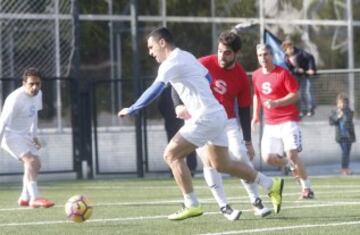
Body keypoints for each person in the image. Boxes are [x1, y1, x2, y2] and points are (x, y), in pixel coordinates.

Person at [118, 27, 284, 221]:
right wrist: (194, 98)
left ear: (162, 42)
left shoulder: (170, 63)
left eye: (151, 46)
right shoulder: (186, 56)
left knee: (171, 155)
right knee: (222, 164)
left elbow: (155, 89)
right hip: (217, 114)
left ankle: (192, 204)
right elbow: (207, 78)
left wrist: (133, 108)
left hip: (204, 117)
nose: (150, 52)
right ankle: (270, 184)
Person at [195, 30, 271, 219]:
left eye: (227, 52)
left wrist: (248, 141)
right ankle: (224, 207)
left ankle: (255, 201)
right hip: (201, 119)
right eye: (220, 51)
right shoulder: (202, 64)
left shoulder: (242, 77)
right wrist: (179, 105)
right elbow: (177, 80)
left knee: (241, 157)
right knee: (209, 162)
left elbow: (244, 110)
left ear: (236, 53)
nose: (222, 55)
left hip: (227, 121)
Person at [251, 44, 315, 200]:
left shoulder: (283, 74)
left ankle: (307, 189)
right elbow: (256, 95)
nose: (263, 58)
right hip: (270, 124)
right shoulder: (256, 75)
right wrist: (255, 116)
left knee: (292, 154)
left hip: (288, 120)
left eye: (266, 54)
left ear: (272, 55)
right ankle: (291, 165)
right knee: (268, 158)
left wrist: (277, 103)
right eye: (260, 55)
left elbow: (296, 95)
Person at [0, 67, 55, 208]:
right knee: (30, 161)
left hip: (25, 134)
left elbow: (34, 114)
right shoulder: (14, 99)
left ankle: (24, 197)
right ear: (24, 83)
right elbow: (3, 122)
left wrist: (34, 135)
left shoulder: (38, 94)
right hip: (9, 134)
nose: (35, 87)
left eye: (38, 83)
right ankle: (35, 198)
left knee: (36, 164)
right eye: (31, 84)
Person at [158, 85, 197, 176]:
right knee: (190, 146)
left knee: (173, 147)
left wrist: (168, 117)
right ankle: (191, 169)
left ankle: (174, 171)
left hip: (172, 122)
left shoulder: (166, 90)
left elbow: (160, 106)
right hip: (185, 121)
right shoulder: (185, 88)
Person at [281, 40, 317, 117]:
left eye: (292, 47)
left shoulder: (300, 53)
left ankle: (310, 108)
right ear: (285, 51)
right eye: (289, 49)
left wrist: (311, 69)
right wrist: (297, 70)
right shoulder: (286, 59)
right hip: (296, 76)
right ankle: (303, 109)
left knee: (307, 91)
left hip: (305, 75)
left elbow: (310, 58)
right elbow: (291, 69)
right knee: (299, 93)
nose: (291, 49)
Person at [329, 93, 356, 175]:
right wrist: (338, 116)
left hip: (349, 136)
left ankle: (346, 168)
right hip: (341, 137)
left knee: (347, 152)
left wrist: (343, 113)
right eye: (340, 103)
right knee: (344, 152)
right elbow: (331, 122)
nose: (342, 105)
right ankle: (344, 169)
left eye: (344, 103)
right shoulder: (334, 112)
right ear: (337, 103)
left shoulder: (349, 112)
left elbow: (349, 119)